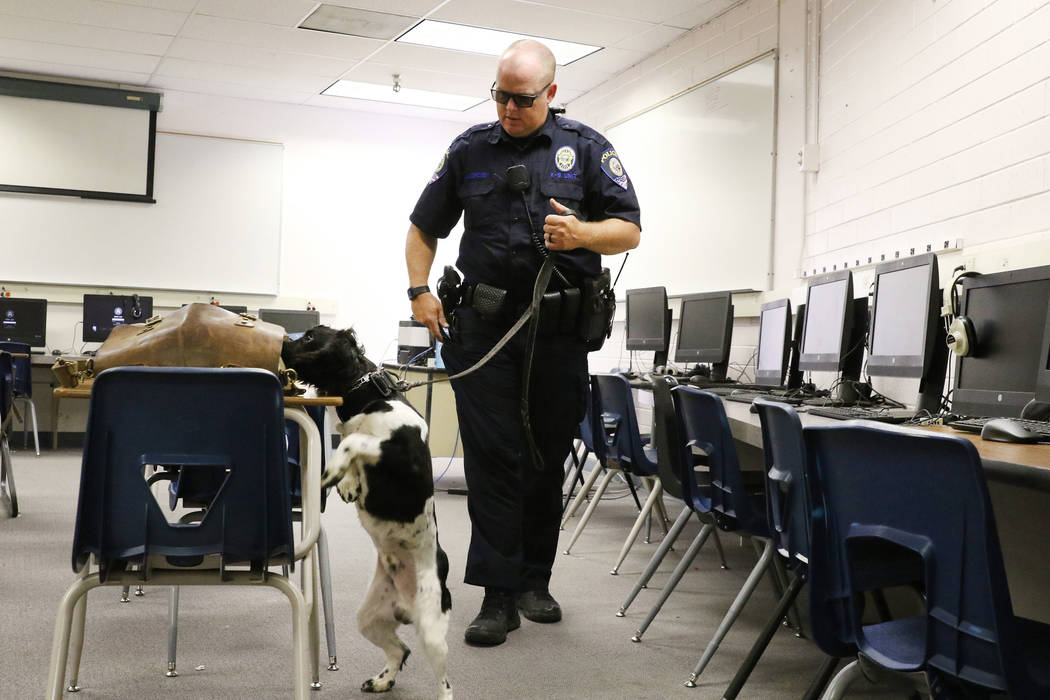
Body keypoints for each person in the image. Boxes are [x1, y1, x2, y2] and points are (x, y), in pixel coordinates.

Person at [405, 39, 641, 646]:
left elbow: (629, 230)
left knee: (545, 453)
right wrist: (418, 292)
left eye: (522, 98)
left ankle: (536, 579)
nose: (509, 108)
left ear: (551, 94)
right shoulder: (469, 150)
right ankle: (497, 593)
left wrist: (583, 233)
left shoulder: (586, 149)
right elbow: (423, 228)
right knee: (494, 457)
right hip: (483, 330)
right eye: (500, 95)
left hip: (560, 332)